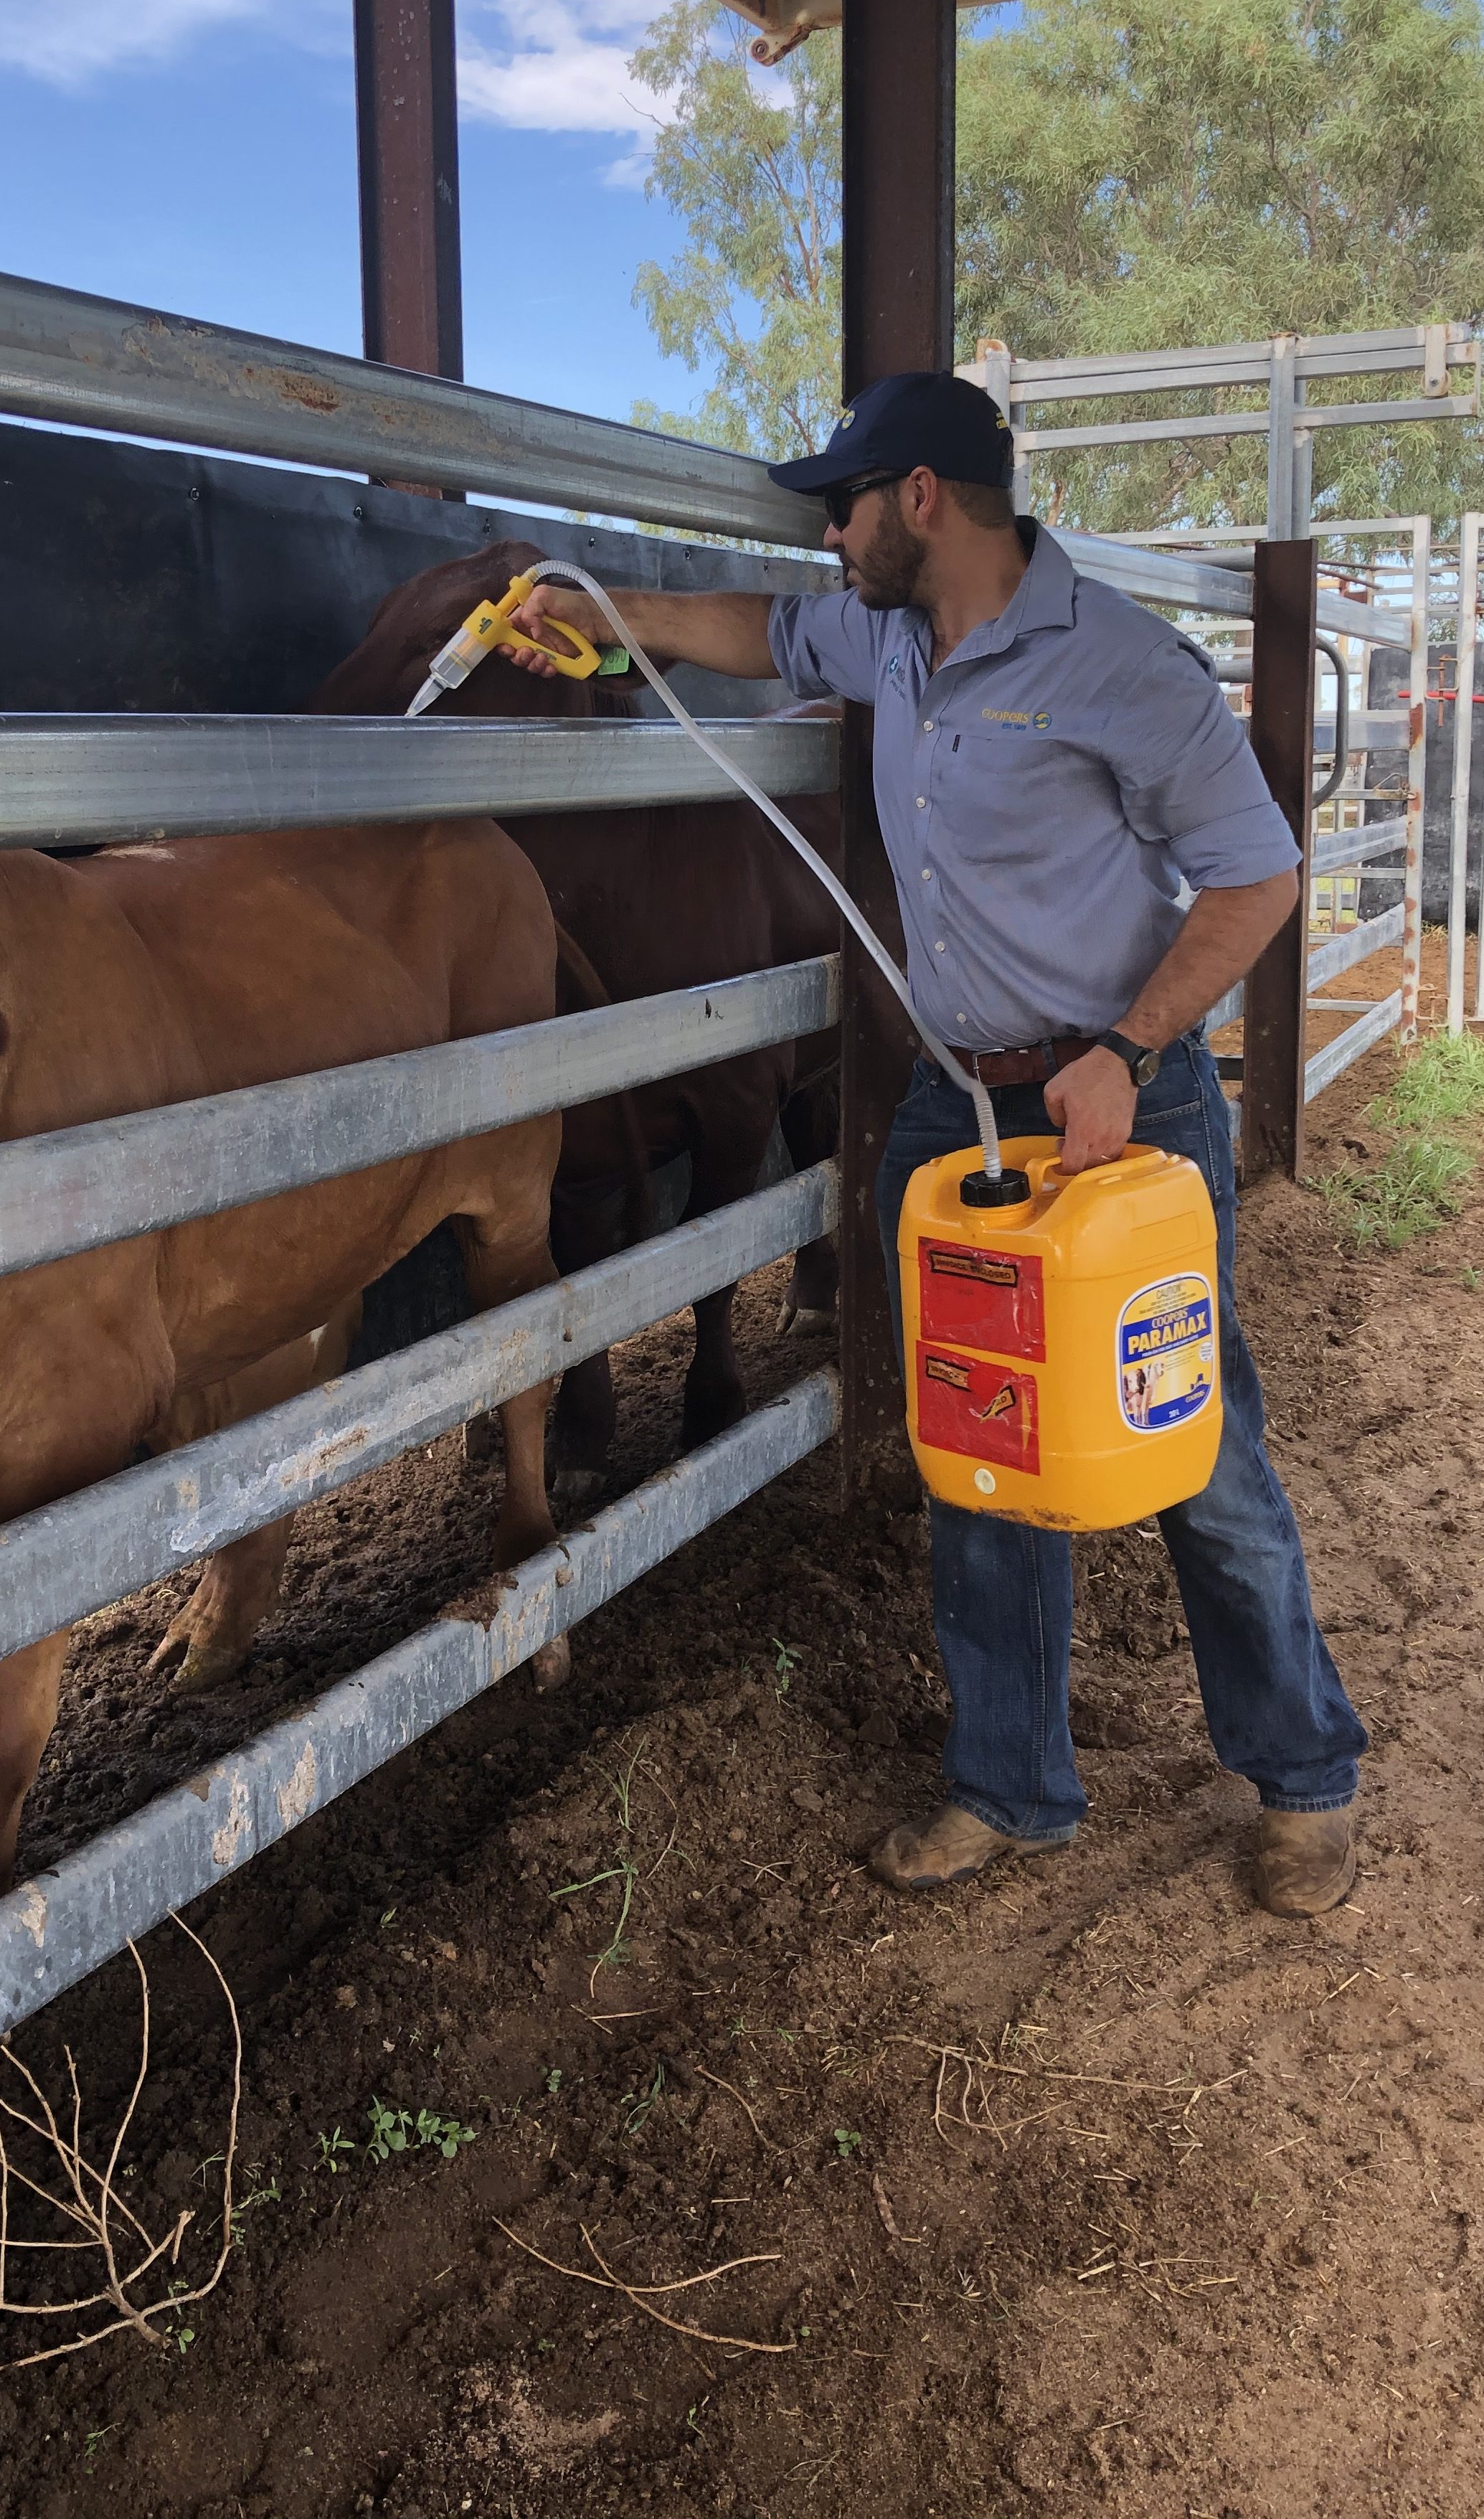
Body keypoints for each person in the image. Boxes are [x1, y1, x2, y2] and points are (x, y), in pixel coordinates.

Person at [509, 372, 1366, 1918]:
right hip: (954, 1103)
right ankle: (1014, 1786)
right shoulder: (882, 637)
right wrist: (594, 610)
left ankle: (1305, 1771)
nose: (824, 535)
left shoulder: (1125, 667)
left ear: (920, 498)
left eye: (839, 504)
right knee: (979, 1438)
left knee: (1195, 1435)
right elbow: (750, 632)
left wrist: (1129, 1049)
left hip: (1119, 1112)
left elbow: (1256, 876)